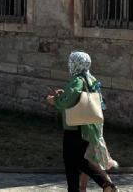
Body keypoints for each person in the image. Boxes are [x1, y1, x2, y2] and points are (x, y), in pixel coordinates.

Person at [47, 52, 117, 192]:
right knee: (79, 160)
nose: (69, 64)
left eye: (71, 62)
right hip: (86, 127)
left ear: (75, 64)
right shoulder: (91, 79)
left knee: (71, 163)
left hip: (74, 128)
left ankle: (102, 183)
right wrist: (64, 94)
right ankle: (105, 184)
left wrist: (54, 100)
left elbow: (67, 102)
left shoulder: (77, 80)